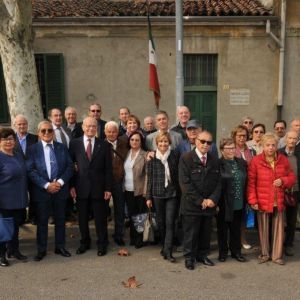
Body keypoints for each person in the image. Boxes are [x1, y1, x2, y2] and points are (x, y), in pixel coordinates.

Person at [26, 121, 74, 261]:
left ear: (53, 132)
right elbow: (30, 170)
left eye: (49, 130)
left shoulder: (62, 147)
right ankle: (41, 250)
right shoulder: (32, 149)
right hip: (42, 192)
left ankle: (60, 247)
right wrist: (47, 185)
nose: (47, 133)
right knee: (42, 222)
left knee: (60, 220)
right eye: (43, 131)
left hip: (60, 190)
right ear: (39, 133)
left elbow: (70, 167)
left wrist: (59, 183)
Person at [248, 132, 296, 265]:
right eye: (267, 145)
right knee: (263, 230)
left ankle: (276, 256)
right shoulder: (256, 161)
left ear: (277, 146)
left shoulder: (283, 160)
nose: (270, 148)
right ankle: (264, 254)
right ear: (263, 146)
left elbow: (292, 177)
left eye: (273, 145)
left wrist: (283, 180)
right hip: (262, 201)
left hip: (278, 201)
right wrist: (253, 200)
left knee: (279, 230)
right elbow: (251, 183)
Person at [69, 117, 112, 256]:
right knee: (82, 219)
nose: (91, 128)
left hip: (99, 189)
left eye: (94, 126)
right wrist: (71, 186)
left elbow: (108, 169)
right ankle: (84, 242)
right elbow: (71, 167)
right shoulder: (74, 144)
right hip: (81, 188)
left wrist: (108, 188)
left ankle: (102, 244)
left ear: (97, 128)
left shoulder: (104, 145)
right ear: (83, 127)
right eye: (88, 126)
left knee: (100, 219)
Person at [179, 131, 221, 270]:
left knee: (205, 233)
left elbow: (218, 182)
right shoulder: (186, 158)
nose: (205, 145)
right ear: (196, 141)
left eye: (209, 142)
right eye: (203, 141)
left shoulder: (215, 160)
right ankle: (189, 258)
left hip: (209, 205)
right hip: (192, 204)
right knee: (190, 233)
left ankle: (202, 255)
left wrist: (212, 199)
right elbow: (185, 183)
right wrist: (200, 200)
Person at [146, 132, 180, 262]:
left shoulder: (174, 155)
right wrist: (148, 197)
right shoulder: (152, 157)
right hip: (157, 193)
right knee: (161, 222)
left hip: (172, 192)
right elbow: (149, 179)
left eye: (166, 141)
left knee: (170, 222)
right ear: (157, 143)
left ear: (169, 143)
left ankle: (168, 251)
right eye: (161, 142)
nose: (163, 144)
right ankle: (164, 246)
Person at [0, 128, 28, 267]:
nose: (8, 142)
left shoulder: (18, 155)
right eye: (4, 139)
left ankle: (14, 250)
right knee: (4, 229)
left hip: (20, 199)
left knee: (15, 227)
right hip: (5, 200)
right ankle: (1, 256)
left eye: (10, 139)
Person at [217, 138, 247, 263]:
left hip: (239, 201)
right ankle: (223, 252)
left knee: (236, 229)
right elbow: (215, 185)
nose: (231, 150)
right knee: (223, 229)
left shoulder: (241, 162)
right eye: (228, 148)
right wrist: (217, 203)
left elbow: (247, 180)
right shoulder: (218, 163)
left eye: (233, 147)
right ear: (222, 150)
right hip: (224, 202)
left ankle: (236, 252)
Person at [105, 121, 129, 246]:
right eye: (109, 131)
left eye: (114, 131)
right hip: (105, 183)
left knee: (119, 210)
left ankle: (119, 235)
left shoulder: (125, 144)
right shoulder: (100, 144)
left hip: (119, 182)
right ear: (105, 132)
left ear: (118, 132)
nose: (112, 133)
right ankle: (103, 236)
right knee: (104, 210)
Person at [123, 131, 147, 248]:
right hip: (127, 189)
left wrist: (146, 191)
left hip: (140, 190)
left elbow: (148, 175)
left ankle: (139, 239)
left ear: (141, 142)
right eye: (132, 139)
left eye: (137, 140)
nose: (134, 142)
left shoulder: (145, 155)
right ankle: (132, 237)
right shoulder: (126, 153)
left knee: (140, 215)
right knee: (132, 215)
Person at [232, 125, 254, 250]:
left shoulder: (250, 150)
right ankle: (233, 239)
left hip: (248, 186)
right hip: (235, 187)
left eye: (244, 135)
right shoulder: (230, 150)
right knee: (234, 214)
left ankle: (242, 238)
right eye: (239, 135)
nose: (241, 138)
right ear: (234, 136)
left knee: (244, 215)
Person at [13, 114, 38, 224]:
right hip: (17, 174)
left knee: (33, 195)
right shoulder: (10, 139)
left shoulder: (35, 138)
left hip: (32, 172)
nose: (22, 126)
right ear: (15, 125)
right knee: (20, 195)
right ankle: (21, 217)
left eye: (24, 124)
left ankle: (33, 216)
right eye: (19, 124)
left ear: (27, 125)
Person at [278, 130, 300, 256]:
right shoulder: (278, 152)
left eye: (294, 139)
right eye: (290, 138)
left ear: (297, 140)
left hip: (295, 191)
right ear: (285, 139)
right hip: (281, 190)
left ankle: (289, 244)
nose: (292, 141)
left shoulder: (298, 153)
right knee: (279, 219)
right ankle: (277, 243)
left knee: (291, 220)